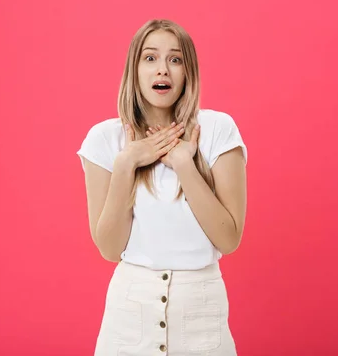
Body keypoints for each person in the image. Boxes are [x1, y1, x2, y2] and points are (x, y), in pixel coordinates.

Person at [77, 19, 247, 356]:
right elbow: (110, 249)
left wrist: (185, 165)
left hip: (201, 313)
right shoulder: (104, 140)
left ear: (188, 71)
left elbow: (229, 238)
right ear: (134, 69)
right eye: (150, 58)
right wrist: (126, 164)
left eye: (175, 59)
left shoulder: (217, 130)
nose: (162, 71)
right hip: (129, 316)